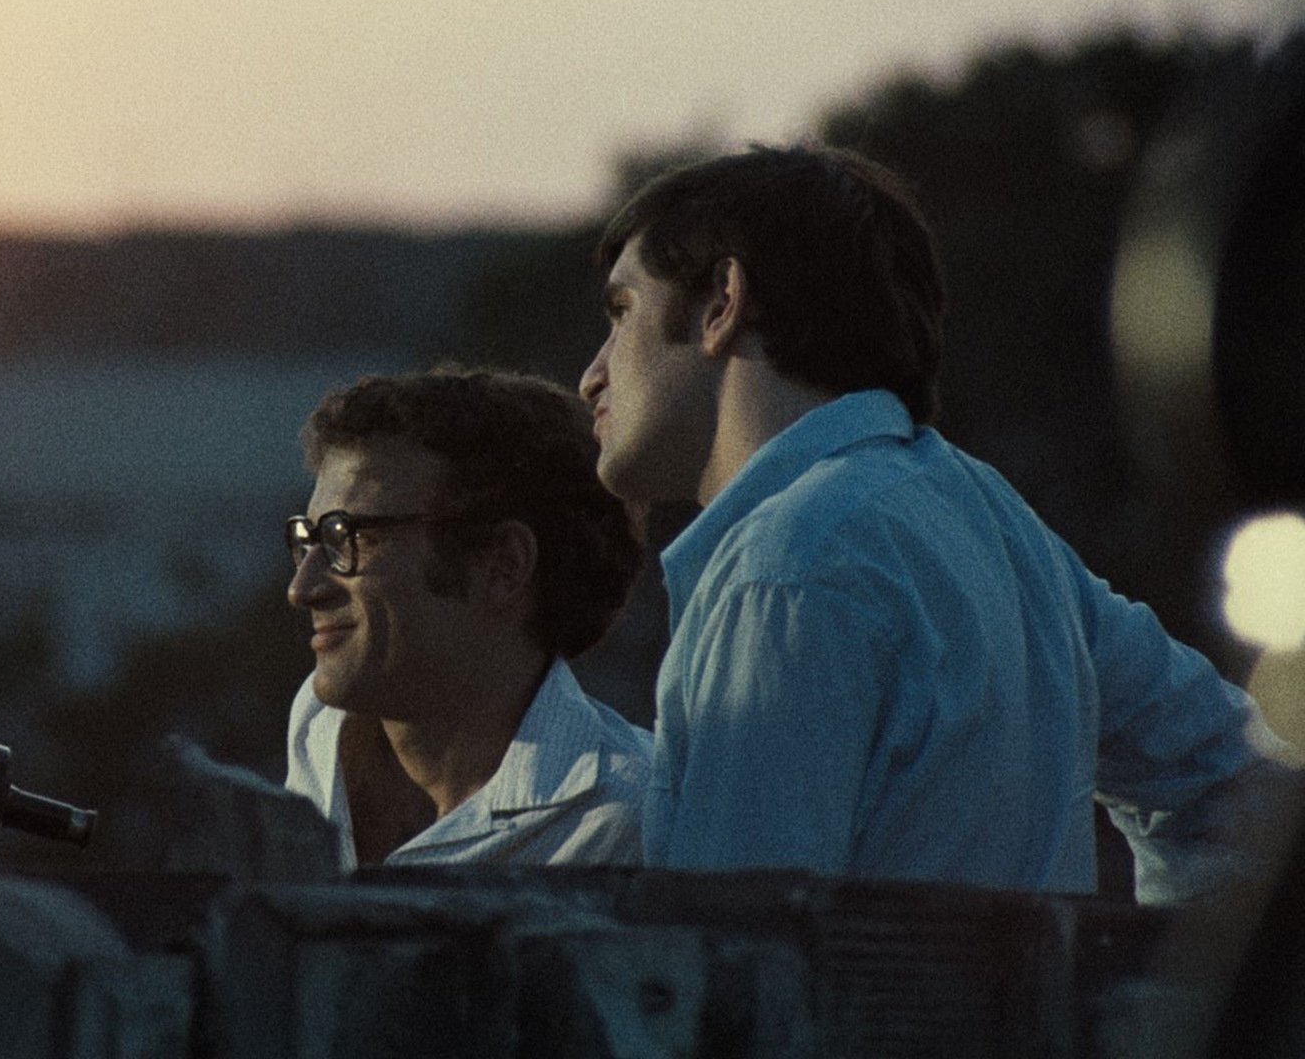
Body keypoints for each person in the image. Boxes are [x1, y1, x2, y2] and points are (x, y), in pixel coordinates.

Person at [578, 143, 1296, 903]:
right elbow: (1239, 791)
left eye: (622, 312)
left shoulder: (783, 568)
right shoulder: (998, 526)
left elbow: (731, 951)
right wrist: (1141, 975)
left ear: (722, 303)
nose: (593, 375)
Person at [282, 367, 650, 867]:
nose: (302, 589)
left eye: (348, 537)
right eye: (308, 541)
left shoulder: (628, 822)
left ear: (502, 564)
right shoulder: (315, 733)